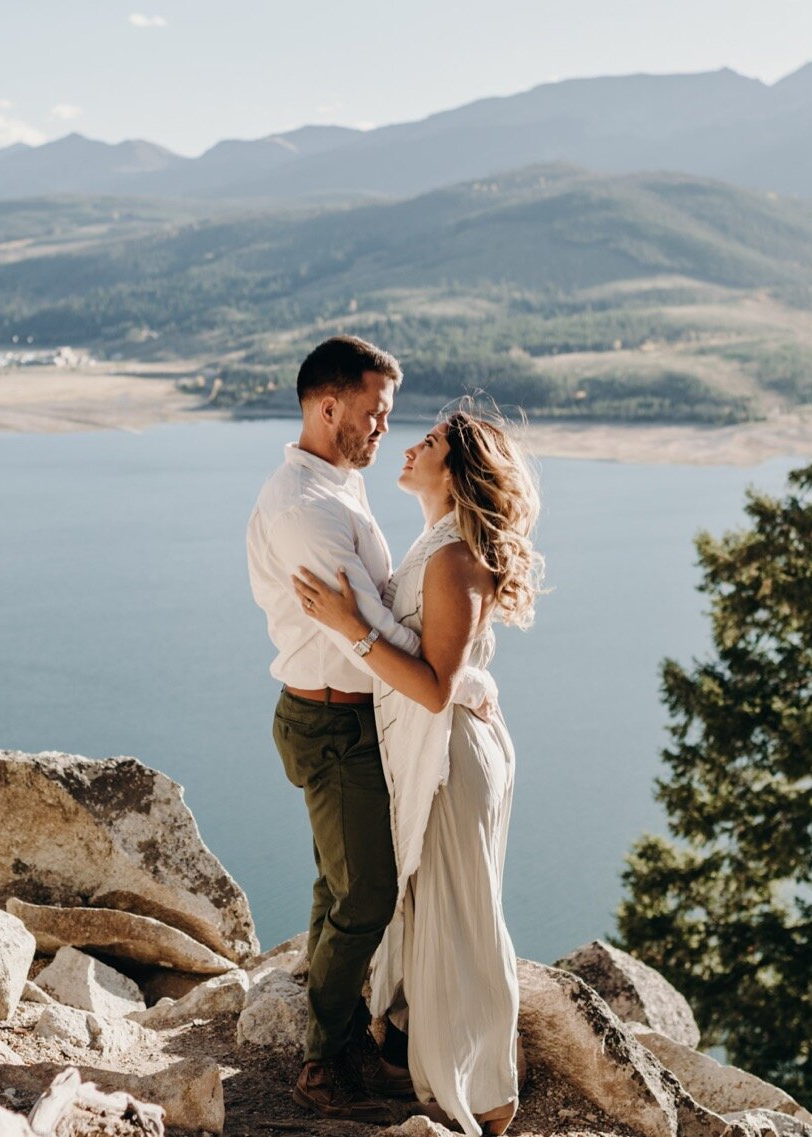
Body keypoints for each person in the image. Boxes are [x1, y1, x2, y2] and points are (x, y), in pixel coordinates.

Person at [246, 336, 498, 1122]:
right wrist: (452, 675)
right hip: (332, 721)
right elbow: (381, 628)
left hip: (354, 716)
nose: (385, 427)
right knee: (368, 894)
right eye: (374, 412)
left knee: (340, 885)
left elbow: (390, 619)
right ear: (329, 408)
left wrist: (460, 673)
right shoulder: (307, 509)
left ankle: (343, 1033)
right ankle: (325, 1065)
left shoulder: (338, 485)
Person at [292, 404, 542, 1137]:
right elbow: (440, 660)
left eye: (428, 441)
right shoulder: (436, 543)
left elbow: (434, 681)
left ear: (458, 470)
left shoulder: (456, 555)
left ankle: (488, 1097)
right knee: (432, 907)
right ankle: (420, 1052)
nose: (408, 446)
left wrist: (350, 627)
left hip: (456, 758)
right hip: (443, 747)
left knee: (461, 915)